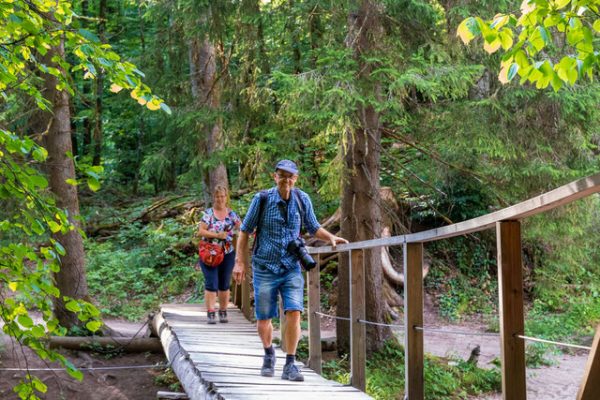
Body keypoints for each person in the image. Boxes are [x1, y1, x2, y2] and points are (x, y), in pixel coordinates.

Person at [233, 160, 348, 382]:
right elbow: (245, 231)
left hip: (291, 267)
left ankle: (290, 363)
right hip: (265, 266)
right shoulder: (262, 199)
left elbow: (314, 227)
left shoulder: (302, 199)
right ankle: (268, 353)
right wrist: (240, 262)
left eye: (291, 176)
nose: (286, 180)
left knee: (294, 312)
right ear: (274, 177)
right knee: (264, 318)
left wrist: (331, 237)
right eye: (282, 175)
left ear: (296, 178)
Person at [197, 184, 241, 324]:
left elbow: (243, 228)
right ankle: (211, 312)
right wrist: (217, 234)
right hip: (210, 253)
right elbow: (201, 231)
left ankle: (223, 311)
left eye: (222, 196)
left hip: (227, 252)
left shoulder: (232, 214)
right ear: (213, 197)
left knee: (224, 283)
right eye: (217, 197)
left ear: (226, 197)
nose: (220, 199)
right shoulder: (208, 214)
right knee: (211, 282)